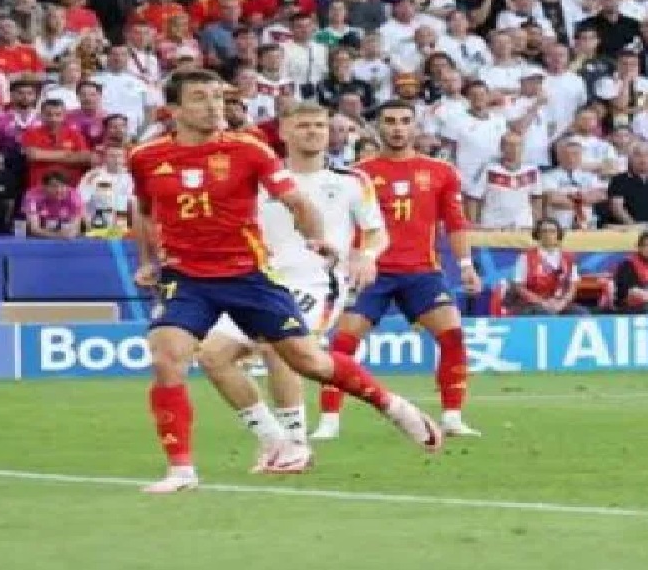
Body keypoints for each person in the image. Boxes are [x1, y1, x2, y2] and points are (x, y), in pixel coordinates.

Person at [128, 71, 441, 494]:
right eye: (200, 97)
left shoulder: (248, 150)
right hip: (186, 277)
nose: (213, 105)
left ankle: (392, 406)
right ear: (174, 109)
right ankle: (185, 469)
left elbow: (296, 201)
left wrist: (316, 238)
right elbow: (145, 209)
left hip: (249, 275)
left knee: (308, 362)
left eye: (217, 96)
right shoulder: (145, 157)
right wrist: (148, 259)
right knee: (169, 357)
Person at [194, 102, 388, 474]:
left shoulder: (351, 181)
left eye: (319, 125)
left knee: (277, 346)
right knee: (212, 355)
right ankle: (274, 441)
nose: (313, 131)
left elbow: (377, 231)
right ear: (283, 132)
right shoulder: (258, 177)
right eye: (303, 125)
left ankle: (296, 444)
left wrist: (367, 255)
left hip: (316, 283)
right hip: (259, 282)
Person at [315, 101, 481, 441]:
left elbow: (455, 222)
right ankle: (329, 420)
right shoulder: (358, 175)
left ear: (415, 127)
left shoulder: (441, 172)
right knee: (342, 343)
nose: (397, 128)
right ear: (377, 127)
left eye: (405, 121)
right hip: (371, 271)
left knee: (452, 335)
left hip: (422, 272)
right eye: (390, 121)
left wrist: (466, 265)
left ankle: (452, 417)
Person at [507, 220, 588, 316]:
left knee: (581, 313)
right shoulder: (526, 257)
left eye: (552, 231)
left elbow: (572, 285)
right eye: (544, 231)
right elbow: (519, 286)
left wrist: (563, 302)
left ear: (558, 234)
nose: (548, 234)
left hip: (560, 302)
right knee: (545, 313)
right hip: (533, 304)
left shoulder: (568, 257)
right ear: (538, 235)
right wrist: (542, 302)